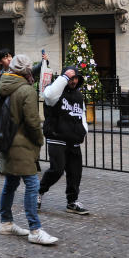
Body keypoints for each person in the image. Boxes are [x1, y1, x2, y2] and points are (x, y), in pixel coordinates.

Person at [0, 55, 58, 245]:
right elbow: (32, 121)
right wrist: (39, 140)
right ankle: (35, 229)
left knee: (11, 182)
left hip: (6, 141)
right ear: (27, 70)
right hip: (22, 144)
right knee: (32, 184)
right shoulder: (26, 90)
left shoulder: (2, 86)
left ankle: (6, 222)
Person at [39, 66, 90, 215]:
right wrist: (64, 78)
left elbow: (82, 115)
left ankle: (72, 201)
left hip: (74, 139)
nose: (73, 81)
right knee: (57, 169)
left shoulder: (79, 95)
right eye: (70, 78)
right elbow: (48, 96)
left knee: (75, 173)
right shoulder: (54, 91)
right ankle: (38, 192)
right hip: (57, 137)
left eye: (75, 78)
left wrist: (83, 130)